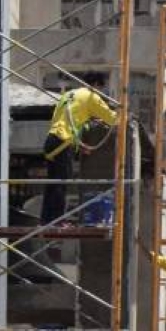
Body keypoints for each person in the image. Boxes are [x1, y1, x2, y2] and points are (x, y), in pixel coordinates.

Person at [40, 85, 118, 229]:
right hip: (63, 142)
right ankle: (58, 221)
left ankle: (46, 219)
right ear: (95, 85)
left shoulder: (68, 95)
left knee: (53, 183)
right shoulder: (91, 97)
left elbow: (66, 120)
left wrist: (79, 146)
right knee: (61, 183)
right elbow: (112, 119)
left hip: (52, 140)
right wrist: (125, 112)